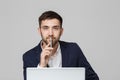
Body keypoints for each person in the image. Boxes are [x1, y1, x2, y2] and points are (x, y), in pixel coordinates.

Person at [23, 10, 99, 80]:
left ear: (61, 31)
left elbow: (93, 78)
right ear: (39, 31)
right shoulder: (28, 57)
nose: (50, 33)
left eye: (55, 28)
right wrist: (41, 66)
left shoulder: (74, 50)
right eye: (45, 28)